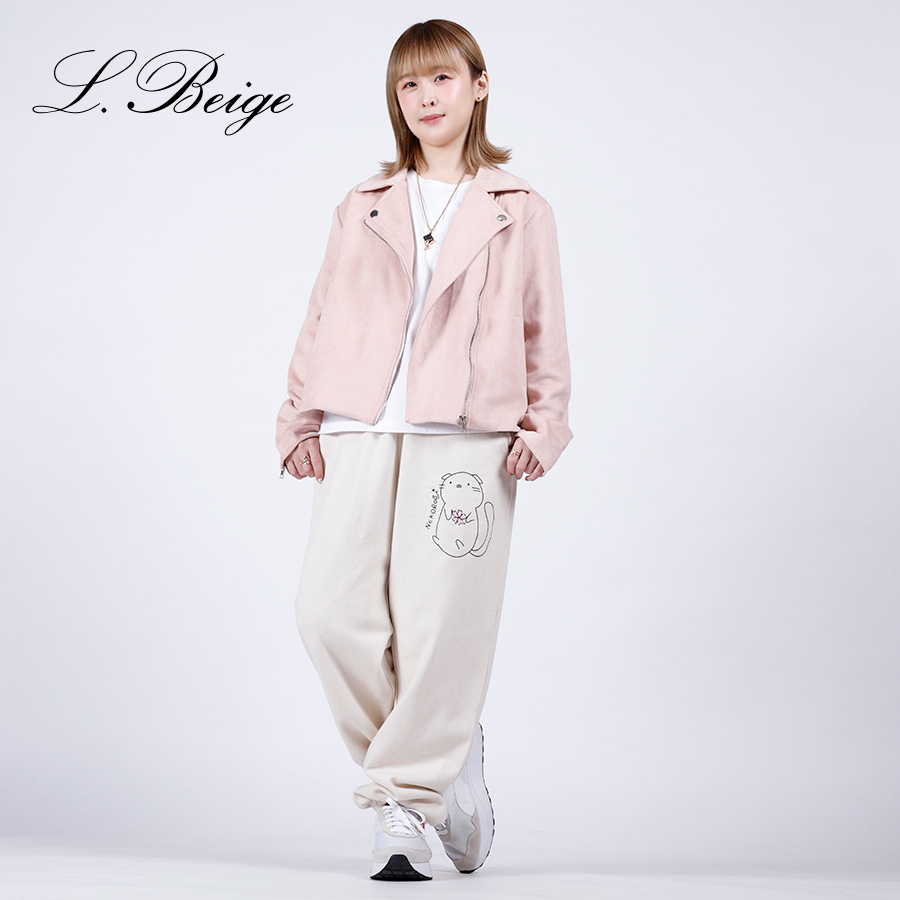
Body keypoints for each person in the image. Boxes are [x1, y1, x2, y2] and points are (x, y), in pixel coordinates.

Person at [275, 18, 573, 881]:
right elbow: (321, 314)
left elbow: (543, 325)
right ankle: (446, 755)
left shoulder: (520, 207)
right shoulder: (363, 203)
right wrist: (298, 418)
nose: (426, 97)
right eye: (409, 84)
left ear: (479, 85)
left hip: (469, 438)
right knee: (328, 615)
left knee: (442, 627)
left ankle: (404, 801)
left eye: (442, 78)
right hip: (358, 426)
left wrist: (545, 424)